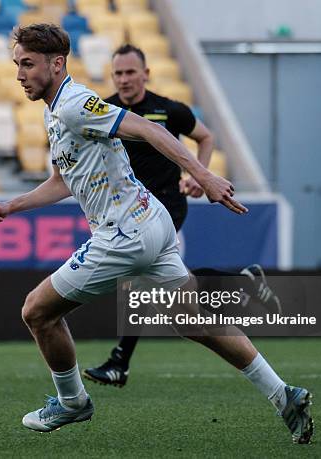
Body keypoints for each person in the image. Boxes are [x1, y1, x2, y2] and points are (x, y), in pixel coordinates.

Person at [0, 24, 313, 444]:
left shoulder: (75, 104)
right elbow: (63, 181)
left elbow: (150, 130)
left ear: (57, 63)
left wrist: (204, 175)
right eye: (17, 64)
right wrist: (12, 206)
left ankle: (72, 402)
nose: (19, 74)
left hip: (124, 235)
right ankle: (284, 395)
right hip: (151, 223)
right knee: (193, 322)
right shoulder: (56, 111)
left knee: (37, 312)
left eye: (27, 64)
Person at [83, 44, 281, 388]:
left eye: (130, 72)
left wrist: (198, 175)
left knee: (140, 279)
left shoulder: (168, 109)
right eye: (118, 73)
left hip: (166, 206)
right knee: (163, 282)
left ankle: (119, 363)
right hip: (130, 211)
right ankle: (242, 279)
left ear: (146, 74)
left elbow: (205, 137)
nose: (124, 79)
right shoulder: (107, 110)